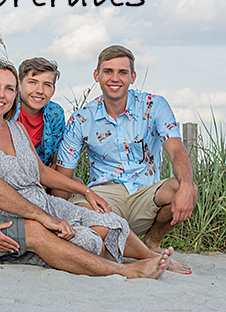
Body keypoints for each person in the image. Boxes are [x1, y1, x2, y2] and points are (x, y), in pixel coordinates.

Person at [0, 51, 173, 279]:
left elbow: (41, 172)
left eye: (8, 88)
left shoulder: (17, 128)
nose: (1, 94)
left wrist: (85, 191)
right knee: (86, 239)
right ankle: (122, 270)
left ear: (15, 93)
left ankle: (148, 257)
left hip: (41, 201)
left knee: (108, 221)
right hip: (5, 212)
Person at [56, 45, 198, 254]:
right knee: (79, 211)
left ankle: (151, 242)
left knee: (188, 188)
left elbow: (177, 150)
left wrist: (186, 184)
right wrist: (59, 218)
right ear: (97, 75)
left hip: (146, 194)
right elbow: (63, 176)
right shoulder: (81, 119)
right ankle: (141, 254)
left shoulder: (155, 105)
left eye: (122, 72)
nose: (115, 78)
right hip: (103, 198)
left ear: (132, 76)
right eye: (108, 71)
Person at [11, 57, 67, 198]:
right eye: (33, 82)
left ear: (53, 90)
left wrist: (42, 183)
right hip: (9, 181)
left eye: (47, 85)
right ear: (19, 84)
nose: (40, 90)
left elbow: (56, 161)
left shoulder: (55, 113)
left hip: (41, 180)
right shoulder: (8, 109)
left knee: (74, 183)